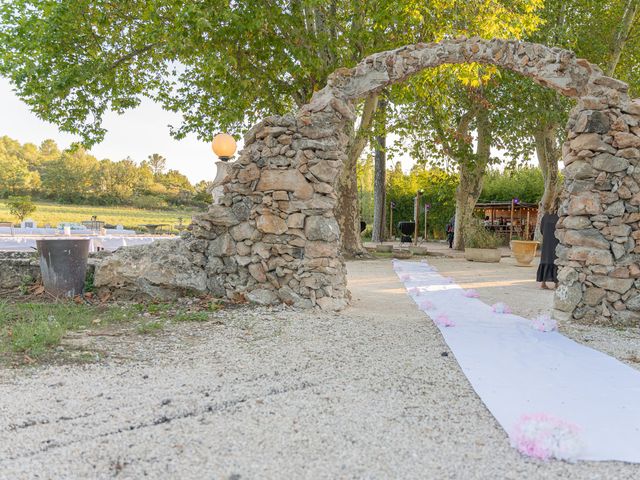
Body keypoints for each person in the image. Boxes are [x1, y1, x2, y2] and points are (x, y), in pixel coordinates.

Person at [537, 198, 560, 289]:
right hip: (556, 241)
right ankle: (556, 283)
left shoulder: (546, 216)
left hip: (546, 242)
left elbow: (541, 229)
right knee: (556, 260)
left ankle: (543, 283)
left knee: (545, 260)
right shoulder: (559, 217)